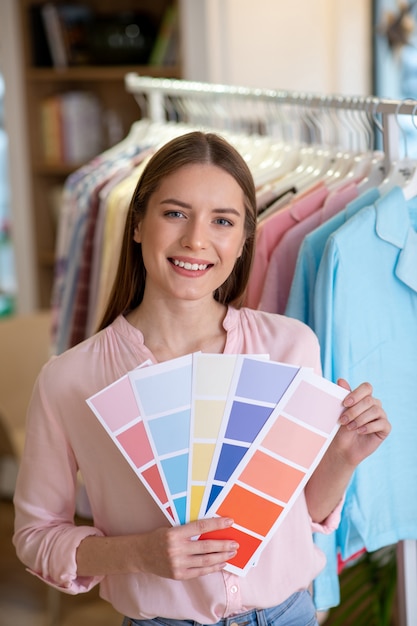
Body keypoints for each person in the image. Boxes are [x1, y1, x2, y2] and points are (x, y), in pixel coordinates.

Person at [13, 131, 391, 626]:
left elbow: (300, 514)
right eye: (175, 213)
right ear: (137, 225)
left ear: (242, 241)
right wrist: (138, 555)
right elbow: (36, 536)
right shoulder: (70, 379)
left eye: (222, 221)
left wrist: (344, 454)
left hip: (289, 615)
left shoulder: (291, 347)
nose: (196, 239)